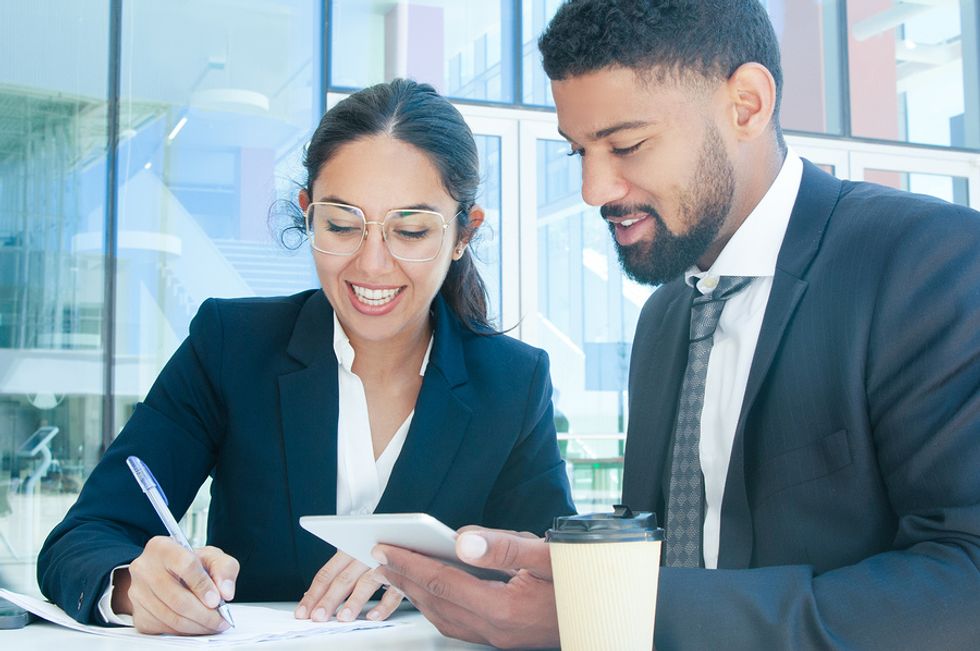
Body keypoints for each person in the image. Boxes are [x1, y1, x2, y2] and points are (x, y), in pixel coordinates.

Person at [375, 1, 980, 648]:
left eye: (627, 144)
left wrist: (612, 614)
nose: (593, 188)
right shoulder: (667, 317)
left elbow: (964, 582)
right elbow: (676, 563)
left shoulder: (927, 261)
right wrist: (546, 573)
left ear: (746, 104)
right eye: (579, 150)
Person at [37, 78, 575, 636]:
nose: (371, 265)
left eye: (411, 231)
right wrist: (132, 585)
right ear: (308, 213)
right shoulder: (231, 345)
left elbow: (553, 578)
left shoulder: (514, 382)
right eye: (341, 225)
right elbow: (84, 537)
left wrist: (430, 573)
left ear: (464, 233)